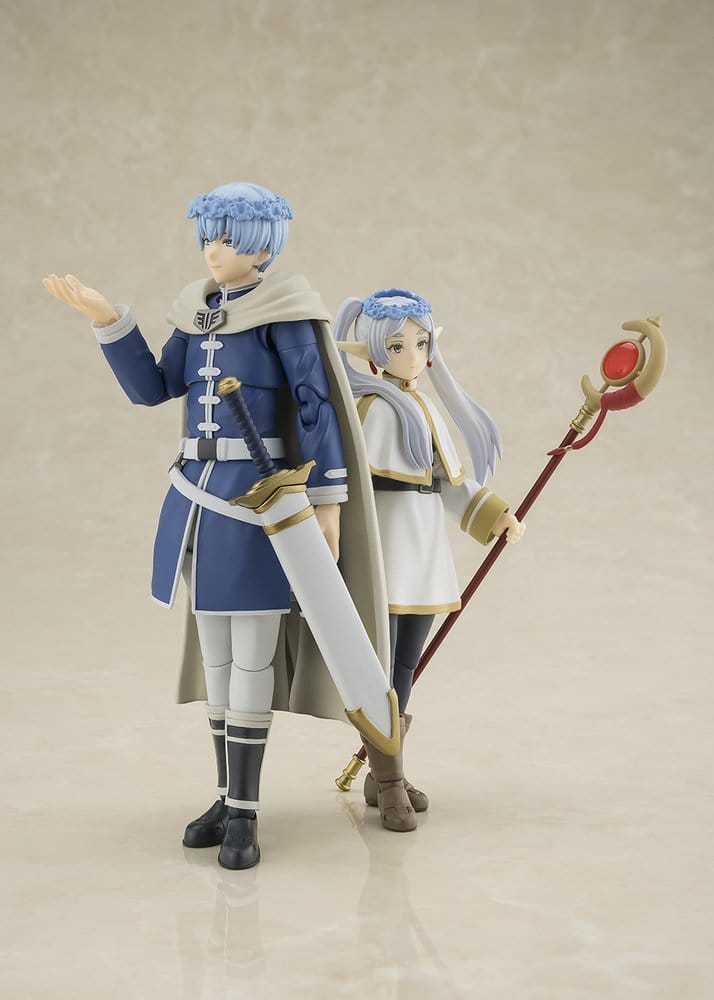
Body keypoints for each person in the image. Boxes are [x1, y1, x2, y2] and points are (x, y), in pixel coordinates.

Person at [43, 182, 385, 869]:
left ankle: (247, 812)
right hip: (196, 497)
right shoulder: (197, 313)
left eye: (226, 238)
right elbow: (153, 388)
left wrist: (327, 504)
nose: (212, 250)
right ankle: (228, 798)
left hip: (260, 503)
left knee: (252, 657)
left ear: (260, 244)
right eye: (207, 237)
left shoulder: (287, 314)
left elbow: (316, 407)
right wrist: (109, 320)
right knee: (217, 660)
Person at [334, 288, 524, 832]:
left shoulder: (424, 406)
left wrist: (496, 516)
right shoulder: (370, 411)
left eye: (420, 344)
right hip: (383, 551)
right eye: (397, 346)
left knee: (405, 666)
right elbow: (345, 490)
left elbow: (449, 483)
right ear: (375, 351)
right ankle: (391, 780)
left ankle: (382, 775)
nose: (413, 355)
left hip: (423, 550)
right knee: (380, 672)